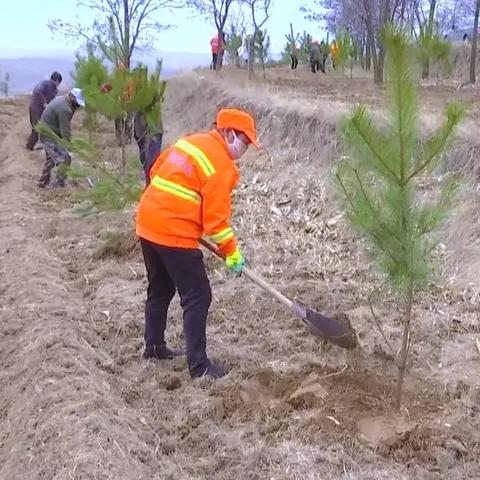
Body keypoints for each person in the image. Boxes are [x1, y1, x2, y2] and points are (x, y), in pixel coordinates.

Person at [136, 108, 261, 379]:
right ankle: (199, 366)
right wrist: (233, 254)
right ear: (228, 132)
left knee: (160, 287)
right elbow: (216, 223)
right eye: (244, 141)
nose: (245, 148)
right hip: (173, 230)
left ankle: (154, 346)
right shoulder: (220, 166)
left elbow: (156, 169)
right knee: (198, 295)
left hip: (147, 220)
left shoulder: (191, 142)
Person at [37, 88, 85, 188]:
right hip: (49, 135)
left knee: (51, 158)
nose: (78, 106)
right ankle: (59, 183)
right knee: (65, 158)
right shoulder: (65, 110)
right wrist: (69, 148)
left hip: (48, 132)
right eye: (77, 103)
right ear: (72, 98)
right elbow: (65, 131)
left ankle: (42, 183)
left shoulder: (63, 100)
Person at [26, 71, 62, 151]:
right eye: (58, 83)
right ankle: (29, 146)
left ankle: (44, 146)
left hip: (43, 111)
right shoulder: (44, 83)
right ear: (56, 81)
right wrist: (44, 102)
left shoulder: (55, 90)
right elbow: (38, 91)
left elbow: (53, 101)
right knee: (37, 128)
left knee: (46, 128)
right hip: (35, 108)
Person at [133, 110, 163, 185]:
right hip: (140, 128)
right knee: (144, 160)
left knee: (152, 164)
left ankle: (152, 189)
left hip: (154, 128)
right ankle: (149, 188)